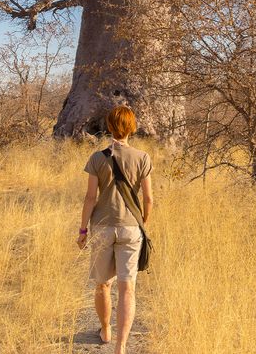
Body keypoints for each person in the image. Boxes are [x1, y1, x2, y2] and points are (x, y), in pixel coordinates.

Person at [77, 106, 154, 353]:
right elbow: (149, 199)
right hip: (131, 228)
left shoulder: (97, 158)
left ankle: (105, 329)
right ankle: (121, 346)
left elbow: (90, 198)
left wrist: (82, 231)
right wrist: (142, 222)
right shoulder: (142, 157)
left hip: (101, 227)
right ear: (132, 127)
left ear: (109, 126)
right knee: (127, 287)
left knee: (102, 284)